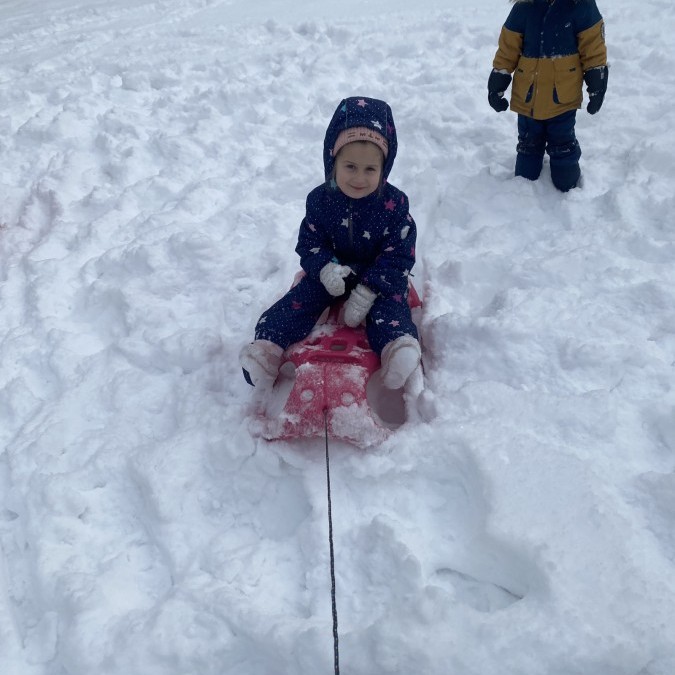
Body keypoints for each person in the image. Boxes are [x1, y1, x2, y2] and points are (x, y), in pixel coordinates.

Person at [239, 96, 421, 391]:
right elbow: (309, 241)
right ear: (333, 160)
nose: (359, 178)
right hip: (332, 273)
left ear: (384, 168)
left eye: (370, 169)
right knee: (298, 300)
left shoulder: (394, 205)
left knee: (390, 307)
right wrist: (325, 268)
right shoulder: (320, 201)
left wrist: (369, 289)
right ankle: (267, 348)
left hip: (378, 277)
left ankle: (397, 347)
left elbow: (399, 253)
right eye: (350, 166)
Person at [487, 0, 608, 191]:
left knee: (563, 148)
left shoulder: (581, 6)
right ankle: (522, 191)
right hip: (528, 97)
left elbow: (593, 48)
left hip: (562, 98)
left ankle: (568, 188)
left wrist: (597, 84)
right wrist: (497, 81)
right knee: (528, 149)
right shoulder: (524, 6)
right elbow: (508, 48)